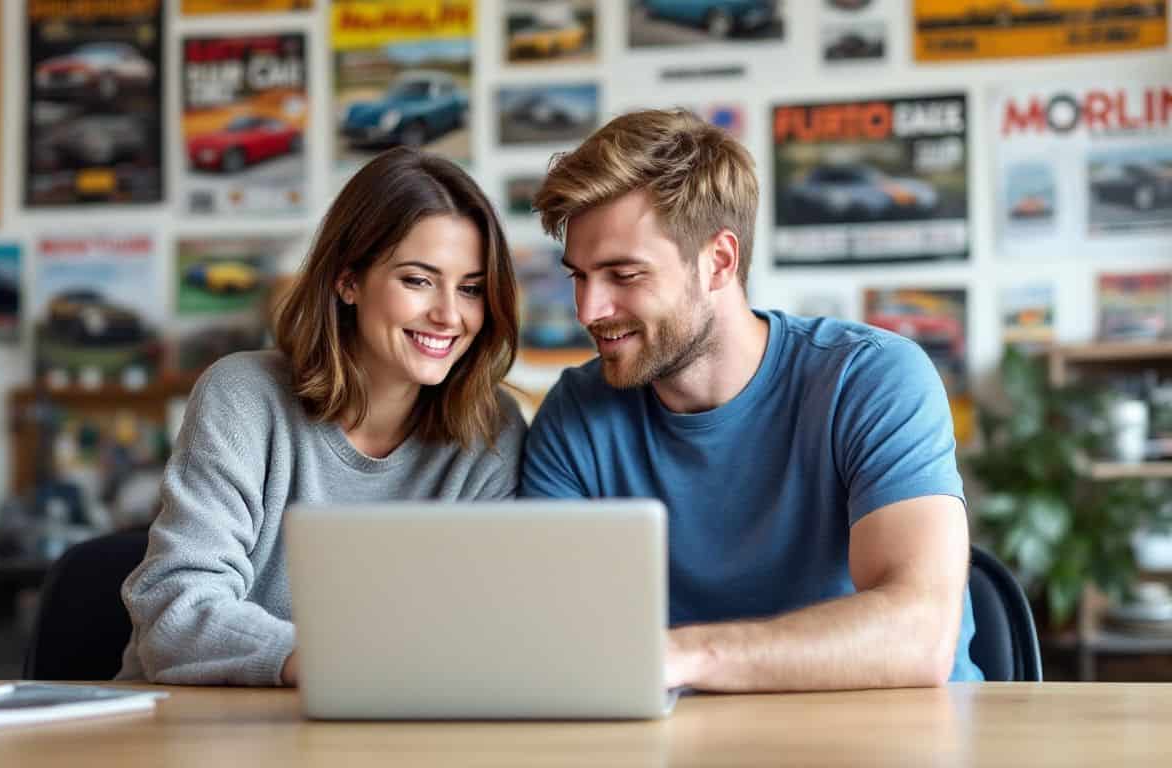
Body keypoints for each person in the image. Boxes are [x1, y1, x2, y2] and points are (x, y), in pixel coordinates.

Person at [522, 109, 982, 690]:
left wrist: (688, 657)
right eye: (579, 277)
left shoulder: (869, 379)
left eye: (624, 275)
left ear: (719, 262)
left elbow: (919, 637)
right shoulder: (576, 416)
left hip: (893, 735)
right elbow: (548, 632)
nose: (588, 312)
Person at [118, 148, 527, 686]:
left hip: (388, 728)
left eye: (471, 288)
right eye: (418, 280)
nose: (449, 315)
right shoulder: (243, 396)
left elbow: (486, 630)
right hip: (203, 726)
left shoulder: (491, 429)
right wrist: (338, 664)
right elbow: (175, 610)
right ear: (348, 280)